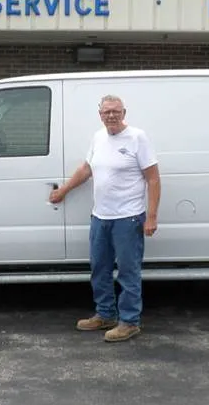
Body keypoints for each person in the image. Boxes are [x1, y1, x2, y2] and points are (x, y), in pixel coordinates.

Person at [49, 94, 161, 342]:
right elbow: (86, 169)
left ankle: (129, 322)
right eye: (106, 111)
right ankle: (105, 314)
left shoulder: (137, 138)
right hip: (100, 217)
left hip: (128, 218)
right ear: (100, 114)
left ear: (124, 113)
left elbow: (153, 178)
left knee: (128, 272)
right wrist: (64, 190)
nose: (111, 115)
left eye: (115, 111)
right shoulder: (98, 137)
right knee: (99, 269)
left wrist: (151, 216)